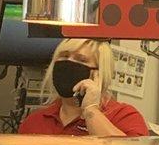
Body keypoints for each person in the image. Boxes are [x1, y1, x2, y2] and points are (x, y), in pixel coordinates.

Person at [19, 38, 149, 137]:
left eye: (81, 60)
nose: (68, 63)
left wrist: (91, 110)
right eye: (64, 56)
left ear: (98, 73)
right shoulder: (35, 122)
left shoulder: (124, 116)